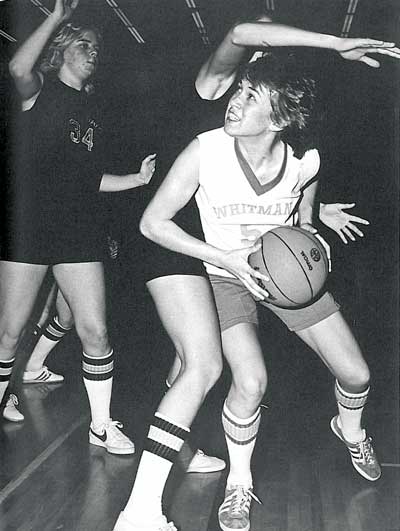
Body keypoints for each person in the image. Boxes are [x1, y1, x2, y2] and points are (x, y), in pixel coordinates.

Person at [113, 16, 399, 531]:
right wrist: (225, 259)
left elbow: (303, 222)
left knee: (357, 374)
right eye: (239, 89)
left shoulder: (305, 162)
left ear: (281, 118)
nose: (235, 101)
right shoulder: (206, 148)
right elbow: (150, 222)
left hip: (278, 270)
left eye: (251, 96)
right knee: (249, 379)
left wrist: (314, 238)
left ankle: (350, 429)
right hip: (224, 273)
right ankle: (238, 486)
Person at [0, 0, 156, 456]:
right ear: (62, 49)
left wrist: (137, 180)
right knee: (9, 332)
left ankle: (102, 426)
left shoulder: (92, 110)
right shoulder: (39, 89)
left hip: (76, 233)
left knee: (94, 330)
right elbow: (16, 65)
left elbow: (89, 178)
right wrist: (56, 18)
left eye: (96, 48)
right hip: (28, 229)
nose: (94, 52)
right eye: (84, 45)